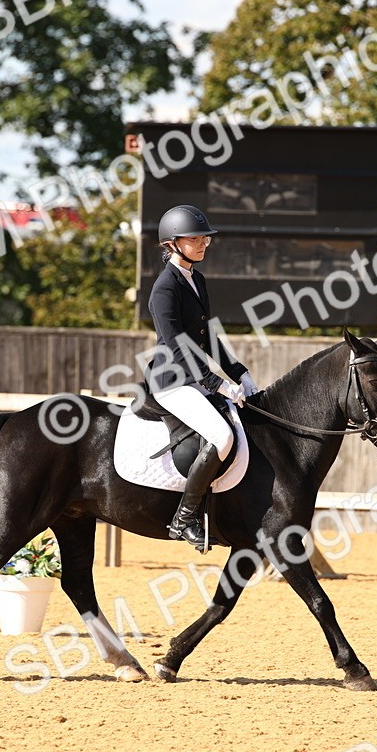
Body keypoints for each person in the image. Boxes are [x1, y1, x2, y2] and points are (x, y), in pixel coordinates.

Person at [144, 204, 259, 549]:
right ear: (172, 243)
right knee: (222, 437)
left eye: (205, 238)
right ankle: (184, 519)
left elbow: (207, 335)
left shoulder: (196, 280)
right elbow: (177, 345)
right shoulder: (165, 289)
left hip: (193, 379)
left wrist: (240, 372)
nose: (203, 244)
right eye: (195, 239)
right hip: (170, 381)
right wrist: (215, 383)